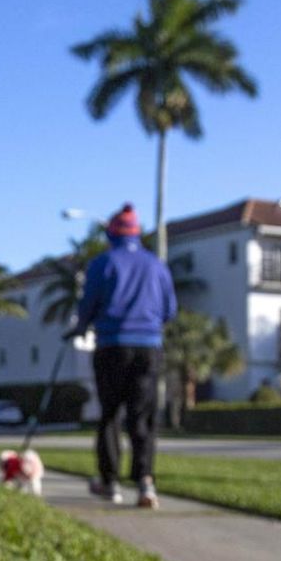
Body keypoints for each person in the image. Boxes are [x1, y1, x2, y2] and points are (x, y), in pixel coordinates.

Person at [71, 203, 176, 508]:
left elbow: (88, 305)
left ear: (112, 235)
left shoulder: (102, 264)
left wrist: (81, 327)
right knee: (142, 417)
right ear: (137, 234)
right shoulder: (157, 265)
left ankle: (109, 481)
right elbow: (169, 310)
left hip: (112, 346)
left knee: (109, 416)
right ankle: (145, 482)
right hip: (148, 347)